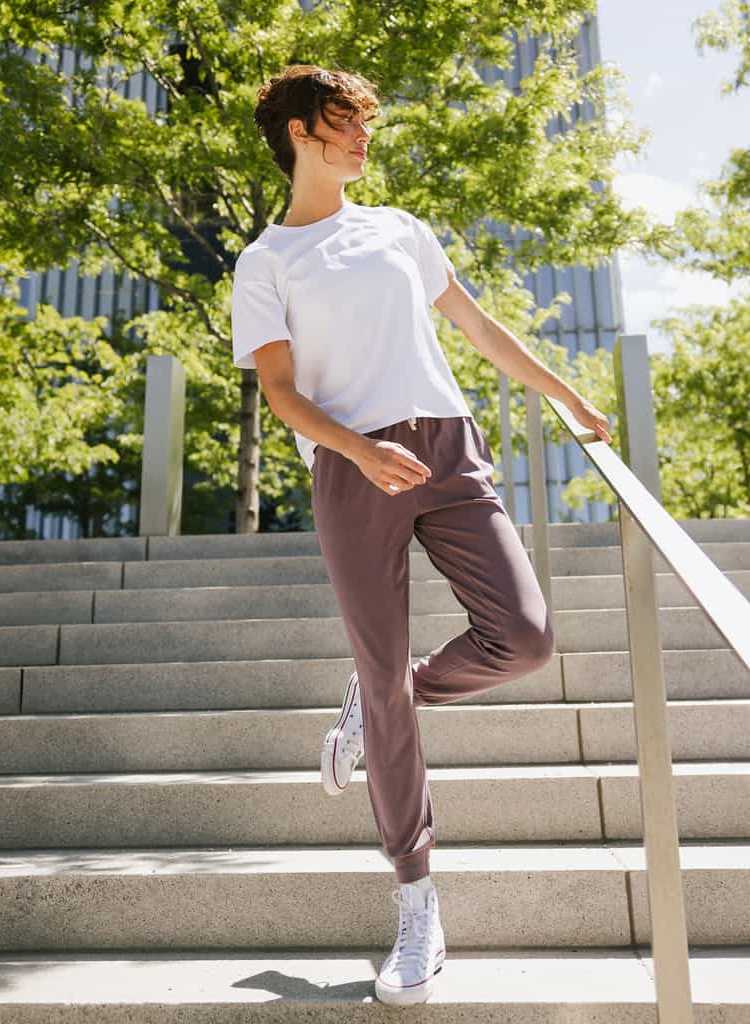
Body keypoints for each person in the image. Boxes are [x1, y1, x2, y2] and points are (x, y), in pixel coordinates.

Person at [231, 63, 613, 1008]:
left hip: (447, 449)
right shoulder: (266, 261)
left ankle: (379, 695)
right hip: (351, 465)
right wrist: (357, 450)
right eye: (342, 125)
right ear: (297, 135)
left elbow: (476, 326)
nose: (362, 138)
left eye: (364, 123)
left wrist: (564, 394)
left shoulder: (399, 229)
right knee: (386, 679)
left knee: (523, 639)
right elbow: (281, 390)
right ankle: (417, 903)